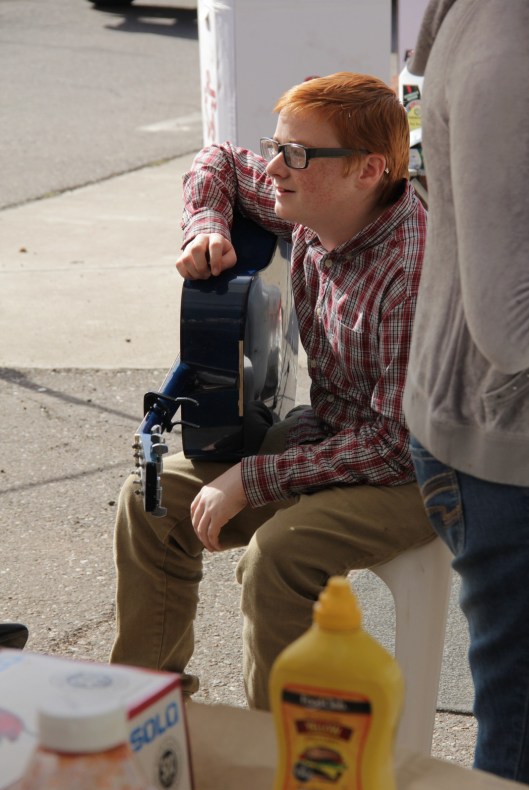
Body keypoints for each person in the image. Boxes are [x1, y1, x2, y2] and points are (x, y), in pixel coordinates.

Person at [111, 72, 434, 709]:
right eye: (277, 145)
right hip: (338, 435)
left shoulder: (409, 269)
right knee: (147, 500)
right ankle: (145, 719)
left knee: (278, 557)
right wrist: (206, 227)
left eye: (297, 153)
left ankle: (283, 759)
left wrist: (253, 479)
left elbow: (395, 447)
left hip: (418, 472)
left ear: (368, 170)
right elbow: (220, 160)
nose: (277, 167)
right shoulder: (319, 202)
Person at [402, 0, 529, 783]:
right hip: (499, 459)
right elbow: (509, 323)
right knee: (516, 741)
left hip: (486, 436)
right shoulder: (504, 54)